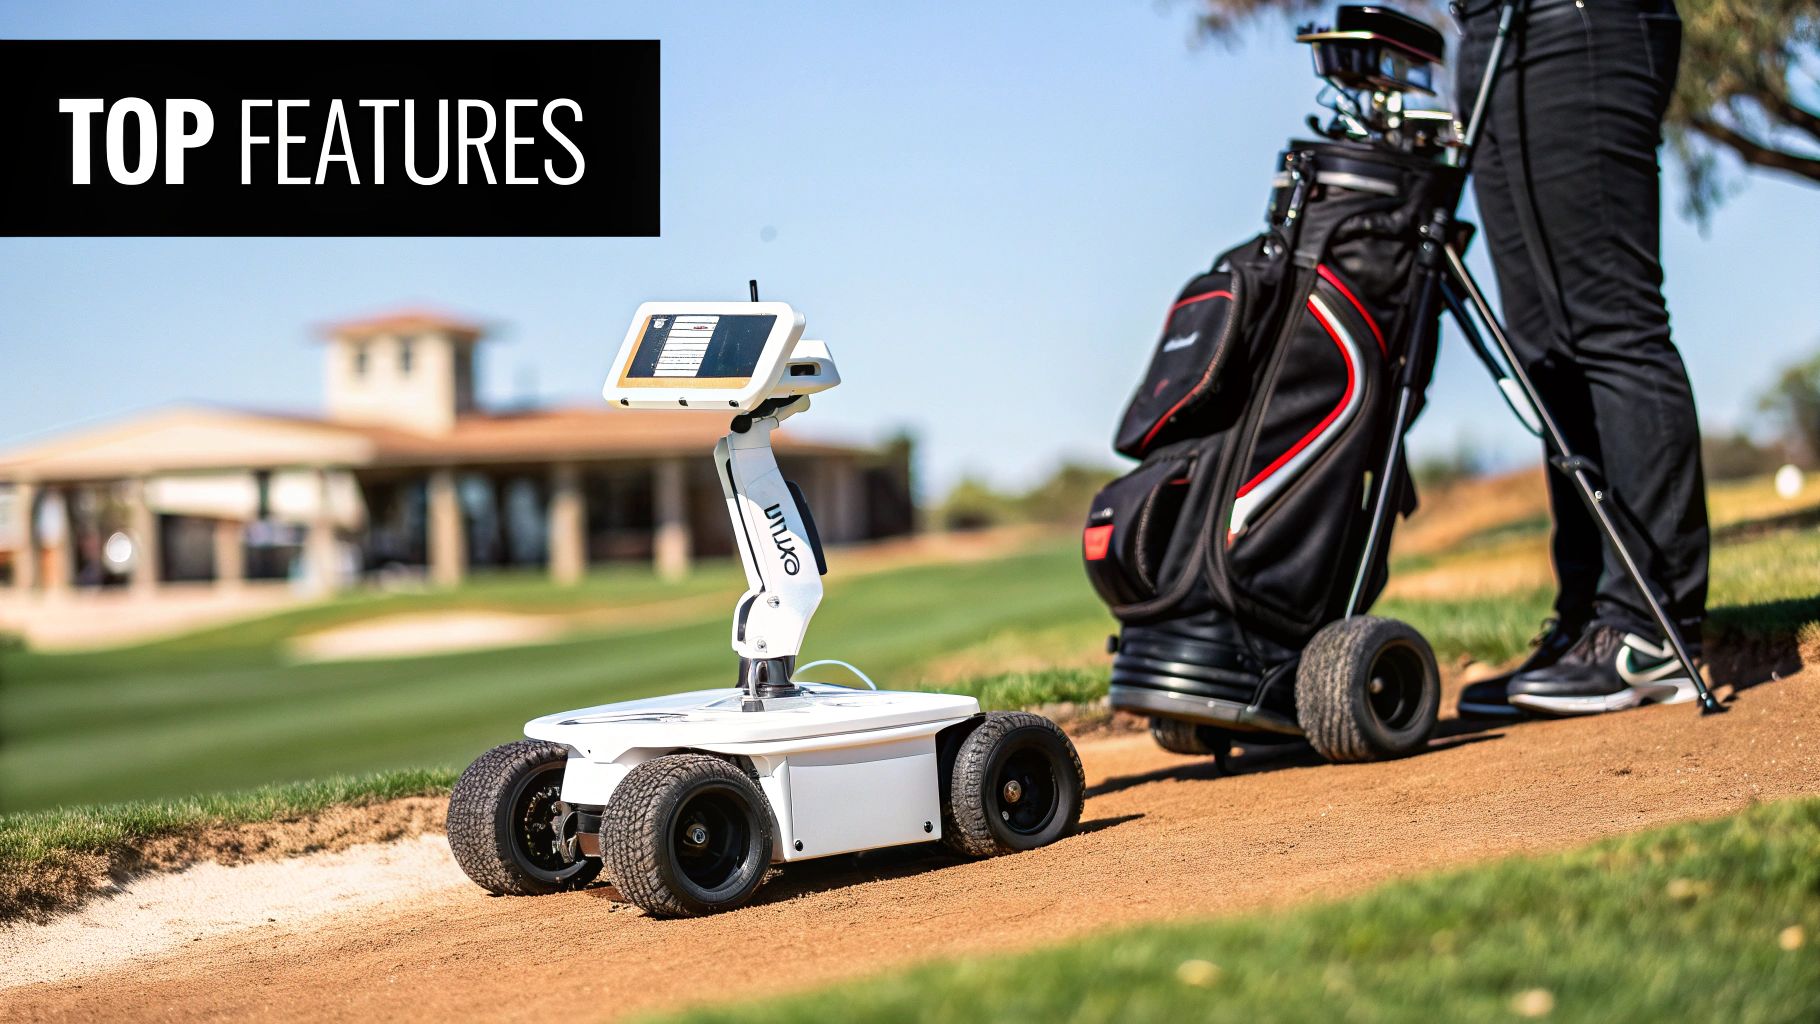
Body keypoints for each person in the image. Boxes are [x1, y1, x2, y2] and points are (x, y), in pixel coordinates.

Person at [1450, 0, 1710, 718]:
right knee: (1542, 352)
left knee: (1611, 320)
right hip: (1485, 32)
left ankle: (1653, 626)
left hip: (1576, 20)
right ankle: (1590, 615)